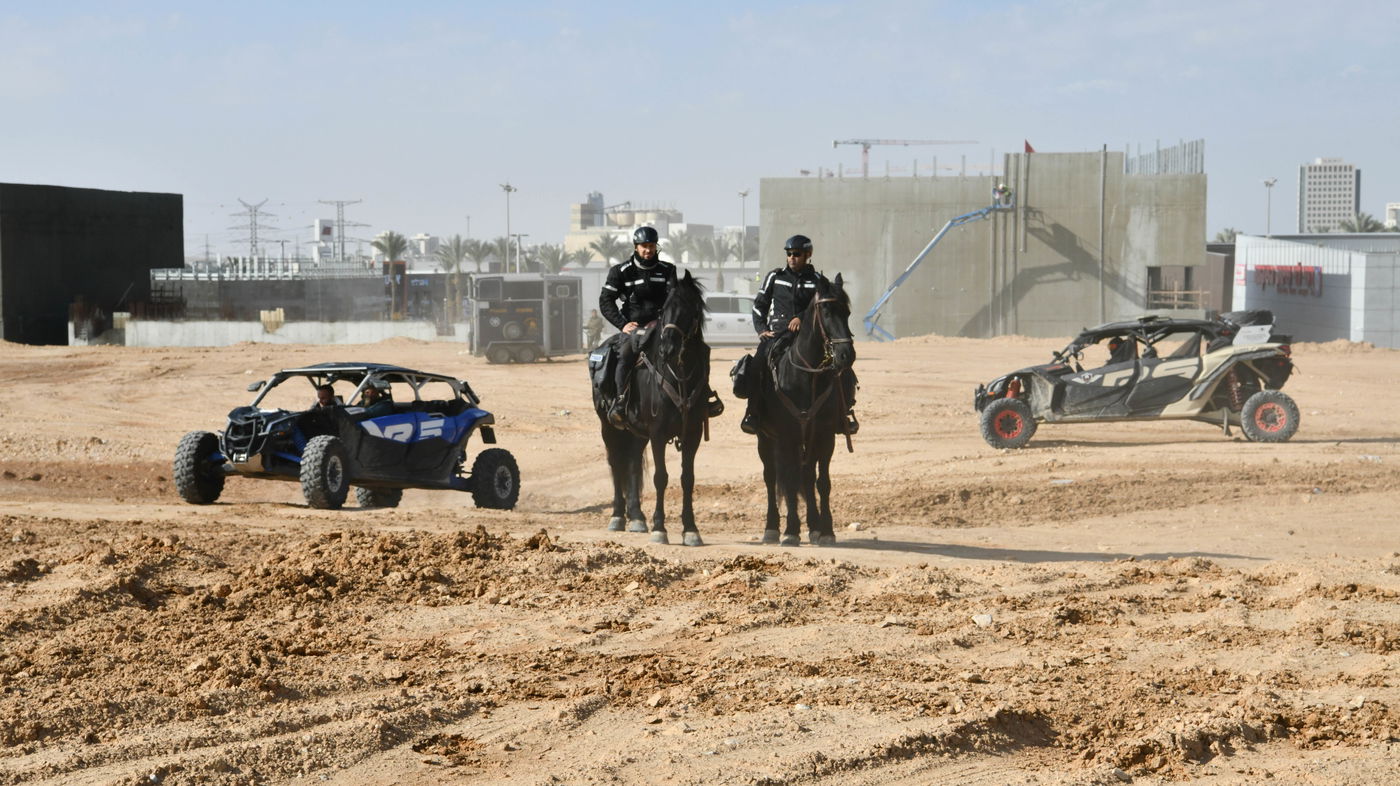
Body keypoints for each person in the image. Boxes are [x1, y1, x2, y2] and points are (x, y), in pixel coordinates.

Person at [739, 234, 858, 435]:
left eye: (797, 254)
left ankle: (842, 413)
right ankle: (753, 413)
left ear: (808, 255)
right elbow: (759, 305)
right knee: (757, 364)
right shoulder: (775, 277)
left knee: (843, 369)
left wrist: (801, 318)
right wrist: (761, 330)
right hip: (777, 334)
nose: (792, 257)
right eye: (789, 254)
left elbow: (823, 308)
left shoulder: (819, 281)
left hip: (810, 336)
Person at [599, 227, 678, 427]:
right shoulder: (621, 272)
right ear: (636, 247)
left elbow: (675, 299)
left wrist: (665, 323)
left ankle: (701, 399)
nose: (648, 250)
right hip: (633, 330)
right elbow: (606, 301)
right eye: (644, 246)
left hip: (662, 328)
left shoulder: (668, 270)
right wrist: (622, 324)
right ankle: (621, 401)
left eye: (651, 246)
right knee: (625, 355)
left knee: (688, 352)